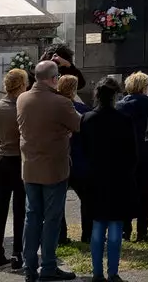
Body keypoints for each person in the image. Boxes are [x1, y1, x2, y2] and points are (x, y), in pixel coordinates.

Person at [18, 59, 82, 282]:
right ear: (55, 79)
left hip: (30, 167)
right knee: (52, 220)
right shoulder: (61, 103)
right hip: (54, 168)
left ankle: (29, 267)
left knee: (32, 217)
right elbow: (78, 124)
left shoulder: (22, 98)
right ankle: (48, 267)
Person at [83, 76, 140, 282]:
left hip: (95, 178)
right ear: (115, 96)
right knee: (115, 227)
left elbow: (84, 150)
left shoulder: (87, 119)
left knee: (98, 226)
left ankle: (97, 273)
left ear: (96, 95)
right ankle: (113, 272)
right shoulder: (124, 120)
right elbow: (133, 154)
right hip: (119, 178)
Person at [0, 67, 28, 270]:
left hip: (3, 158)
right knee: (20, 208)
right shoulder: (25, 107)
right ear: (22, 85)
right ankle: (17, 253)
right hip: (21, 159)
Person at [115, 72, 148, 241]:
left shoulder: (120, 107)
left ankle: (125, 230)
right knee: (145, 193)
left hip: (125, 156)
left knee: (126, 192)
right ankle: (142, 231)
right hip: (146, 155)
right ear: (143, 87)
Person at [59, 75, 93, 243]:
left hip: (60, 160)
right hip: (80, 159)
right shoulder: (83, 109)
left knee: (58, 200)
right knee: (87, 199)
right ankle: (88, 234)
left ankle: (61, 235)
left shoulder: (54, 108)